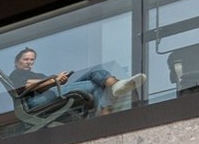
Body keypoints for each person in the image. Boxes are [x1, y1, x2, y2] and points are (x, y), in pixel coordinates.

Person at [11, 47, 147, 113]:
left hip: (49, 93)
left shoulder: (37, 73)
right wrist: (55, 80)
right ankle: (106, 110)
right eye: (25, 59)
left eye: (32, 59)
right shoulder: (16, 74)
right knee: (94, 84)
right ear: (17, 62)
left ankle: (115, 85)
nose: (29, 62)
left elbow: (45, 85)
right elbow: (28, 85)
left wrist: (60, 80)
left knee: (96, 73)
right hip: (34, 102)